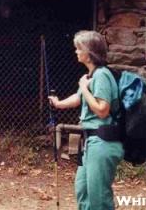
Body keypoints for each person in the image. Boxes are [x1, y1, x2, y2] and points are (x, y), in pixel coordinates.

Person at [48, 30, 123, 210]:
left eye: (78, 48)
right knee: (82, 190)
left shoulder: (102, 75)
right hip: (91, 142)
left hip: (103, 141)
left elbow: (102, 110)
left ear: (89, 53)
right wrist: (58, 104)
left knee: (98, 198)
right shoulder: (91, 76)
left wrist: (84, 88)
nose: (75, 52)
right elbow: (78, 98)